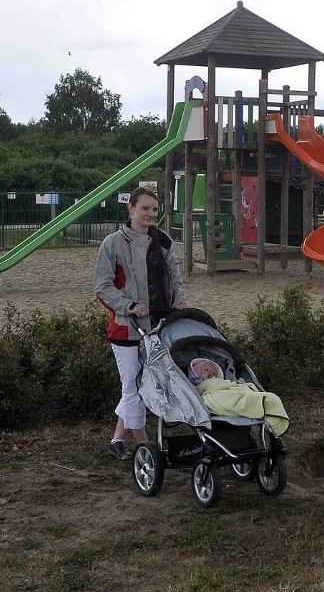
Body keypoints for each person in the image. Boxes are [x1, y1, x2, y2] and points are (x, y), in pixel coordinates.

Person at [94, 186, 190, 459]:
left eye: (155, 210)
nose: (150, 214)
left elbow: (175, 280)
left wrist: (179, 301)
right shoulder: (113, 243)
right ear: (131, 209)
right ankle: (145, 444)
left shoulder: (163, 242)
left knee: (144, 386)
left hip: (161, 325)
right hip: (128, 329)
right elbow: (102, 286)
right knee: (133, 387)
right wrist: (130, 306)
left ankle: (116, 440)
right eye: (145, 208)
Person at [188, 358, 289, 435]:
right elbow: (196, 394)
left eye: (214, 372)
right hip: (216, 395)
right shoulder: (199, 384)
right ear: (196, 373)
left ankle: (260, 405)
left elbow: (229, 385)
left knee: (271, 397)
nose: (211, 372)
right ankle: (254, 404)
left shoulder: (220, 381)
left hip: (227, 390)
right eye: (206, 370)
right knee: (228, 398)